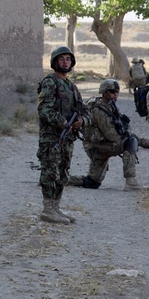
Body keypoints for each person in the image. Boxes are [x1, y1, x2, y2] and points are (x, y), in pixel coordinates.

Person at [36, 46, 87, 225]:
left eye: (68, 59)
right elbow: (44, 109)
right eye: (61, 59)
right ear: (55, 62)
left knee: (63, 172)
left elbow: (83, 110)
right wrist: (62, 122)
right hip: (52, 137)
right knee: (50, 171)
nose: (65, 62)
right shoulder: (50, 82)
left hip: (68, 138)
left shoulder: (71, 86)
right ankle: (48, 209)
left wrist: (81, 121)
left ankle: (56, 207)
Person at [80, 79, 145, 191]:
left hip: (102, 145)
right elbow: (111, 136)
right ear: (104, 92)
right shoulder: (99, 109)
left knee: (92, 182)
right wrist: (126, 136)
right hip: (97, 147)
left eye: (117, 92)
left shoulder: (110, 105)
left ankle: (64, 180)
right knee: (130, 141)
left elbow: (122, 125)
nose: (116, 94)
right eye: (112, 92)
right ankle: (131, 182)